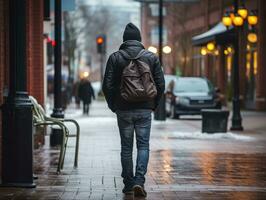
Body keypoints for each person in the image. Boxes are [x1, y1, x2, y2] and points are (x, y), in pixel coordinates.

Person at [102, 23, 165, 197]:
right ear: (139, 40)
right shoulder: (151, 57)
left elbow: (107, 85)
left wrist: (113, 105)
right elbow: (160, 84)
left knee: (126, 147)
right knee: (143, 146)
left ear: (124, 40)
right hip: (145, 108)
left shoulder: (115, 57)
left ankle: (128, 184)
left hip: (123, 109)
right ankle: (139, 181)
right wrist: (154, 104)